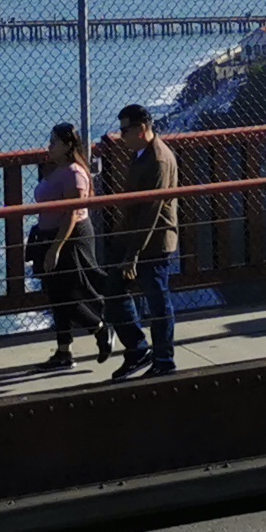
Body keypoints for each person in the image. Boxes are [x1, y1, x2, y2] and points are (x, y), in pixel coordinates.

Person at [101, 103, 183, 379]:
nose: (121, 135)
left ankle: (164, 359)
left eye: (125, 130)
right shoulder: (141, 154)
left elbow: (151, 210)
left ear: (142, 129)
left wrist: (133, 253)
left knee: (158, 302)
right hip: (134, 239)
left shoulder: (158, 159)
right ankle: (138, 350)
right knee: (114, 291)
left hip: (154, 243)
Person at [28, 122, 107, 370]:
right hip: (49, 235)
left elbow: (72, 214)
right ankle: (64, 351)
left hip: (69, 239)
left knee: (68, 293)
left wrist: (56, 248)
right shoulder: (56, 169)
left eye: (54, 142)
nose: (49, 146)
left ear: (67, 145)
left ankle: (100, 328)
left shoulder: (74, 173)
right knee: (56, 293)